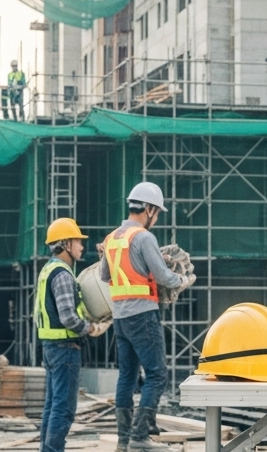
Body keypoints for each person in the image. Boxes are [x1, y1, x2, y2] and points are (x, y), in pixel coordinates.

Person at [100, 182, 192, 452]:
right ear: (149, 209)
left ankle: (123, 440)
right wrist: (183, 279)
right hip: (143, 315)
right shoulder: (143, 237)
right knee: (157, 374)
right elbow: (164, 277)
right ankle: (140, 437)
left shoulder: (112, 238)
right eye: (158, 212)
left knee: (126, 376)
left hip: (120, 318)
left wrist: (146, 263)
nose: (157, 217)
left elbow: (106, 276)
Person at [36, 218, 110, 452]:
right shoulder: (63, 274)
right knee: (64, 408)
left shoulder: (48, 270)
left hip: (51, 348)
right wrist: (91, 328)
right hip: (65, 349)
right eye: (78, 241)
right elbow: (68, 317)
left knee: (52, 406)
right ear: (65, 244)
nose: (81, 246)